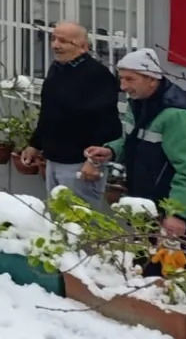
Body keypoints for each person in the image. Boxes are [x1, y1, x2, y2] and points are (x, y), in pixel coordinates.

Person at [83, 46, 186, 247]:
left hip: (172, 219)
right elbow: (136, 142)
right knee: (141, 273)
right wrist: (112, 150)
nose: (123, 86)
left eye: (130, 79)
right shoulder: (140, 103)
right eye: (121, 78)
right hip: (147, 210)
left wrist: (178, 214)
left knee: (172, 275)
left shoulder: (178, 116)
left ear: (152, 80)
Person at [16, 22, 119, 207]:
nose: (55, 45)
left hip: (79, 164)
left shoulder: (97, 76)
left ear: (83, 47)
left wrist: (93, 163)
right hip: (54, 159)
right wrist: (35, 144)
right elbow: (49, 111)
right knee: (57, 221)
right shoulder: (57, 68)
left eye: (63, 41)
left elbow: (107, 125)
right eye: (53, 39)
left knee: (80, 225)